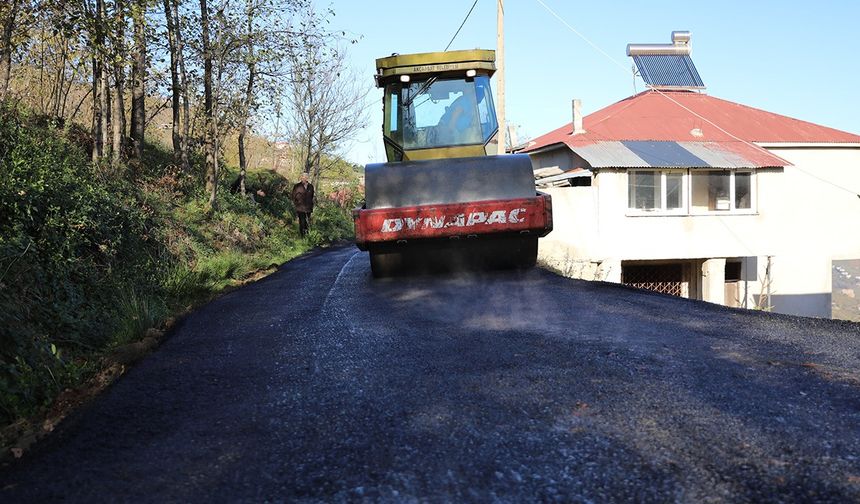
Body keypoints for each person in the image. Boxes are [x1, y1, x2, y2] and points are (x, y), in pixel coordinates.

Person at [291, 172, 315, 237]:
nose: (304, 178)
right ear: (301, 177)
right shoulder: (297, 186)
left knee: (307, 222)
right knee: (302, 222)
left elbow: (312, 196)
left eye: (306, 177)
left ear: (307, 178)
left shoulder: (311, 186)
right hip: (300, 207)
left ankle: (307, 235)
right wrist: (295, 204)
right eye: (303, 177)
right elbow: (293, 196)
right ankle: (302, 236)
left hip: (308, 207)